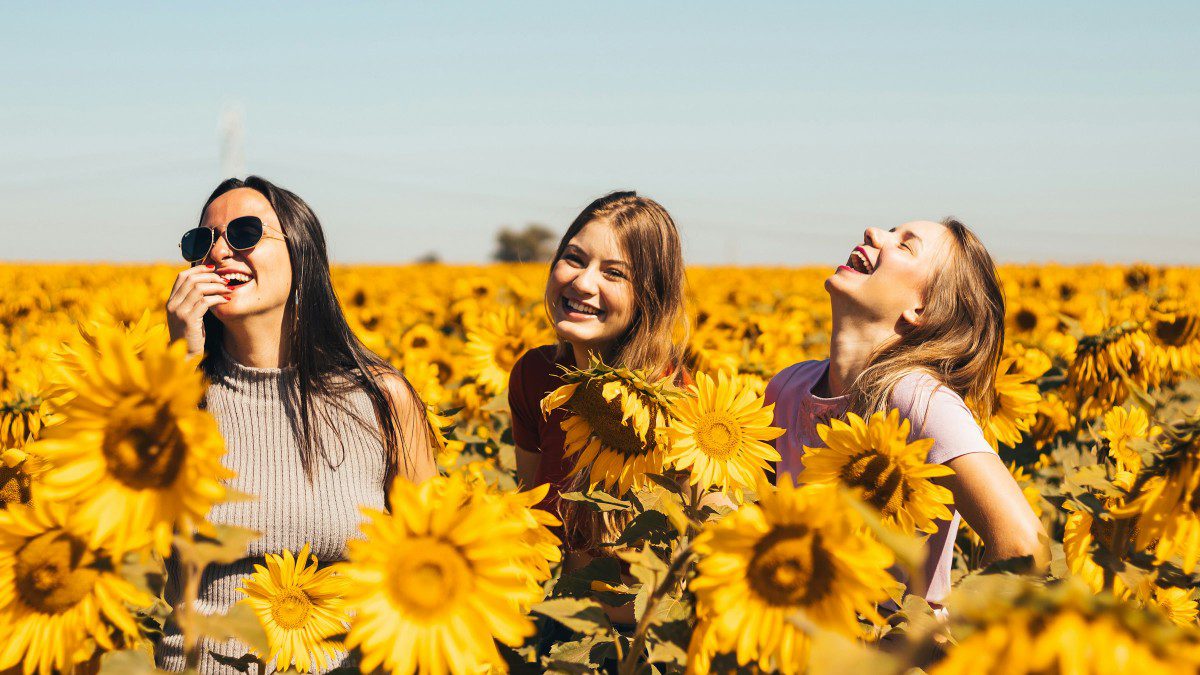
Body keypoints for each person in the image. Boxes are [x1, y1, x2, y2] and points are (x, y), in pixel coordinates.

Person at [158, 176, 436, 673]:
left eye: (244, 233)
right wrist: (179, 368)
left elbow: (432, 559)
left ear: (301, 252)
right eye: (202, 242)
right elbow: (131, 543)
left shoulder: (380, 399)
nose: (218, 252)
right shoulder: (170, 397)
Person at [766, 218, 1047, 608]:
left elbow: (1023, 545)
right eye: (889, 231)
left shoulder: (917, 399)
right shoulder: (787, 387)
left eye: (904, 245)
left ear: (922, 309)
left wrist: (938, 643)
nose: (872, 233)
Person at [508, 191, 688, 624]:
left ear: (649, 296)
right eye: (574, 258)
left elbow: (686, 553)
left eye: (614, 273)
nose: (583, 283)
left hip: (639, 646)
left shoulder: (677, 401)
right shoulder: (535, 375)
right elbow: (530, 508)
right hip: (551, 625)